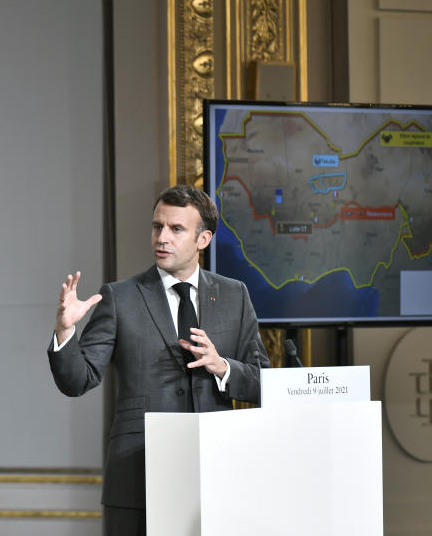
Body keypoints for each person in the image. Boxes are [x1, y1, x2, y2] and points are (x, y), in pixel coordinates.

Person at [47, 185, 269, 535]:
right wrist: (64, 333)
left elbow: (263, 384)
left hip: (216, 477)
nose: (162, 237)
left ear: (204, 239)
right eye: (157, 227)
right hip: (139, 479)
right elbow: (78, 381)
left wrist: (222, 366)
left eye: (176, 229)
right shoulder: (119, 297)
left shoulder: (234, 296)